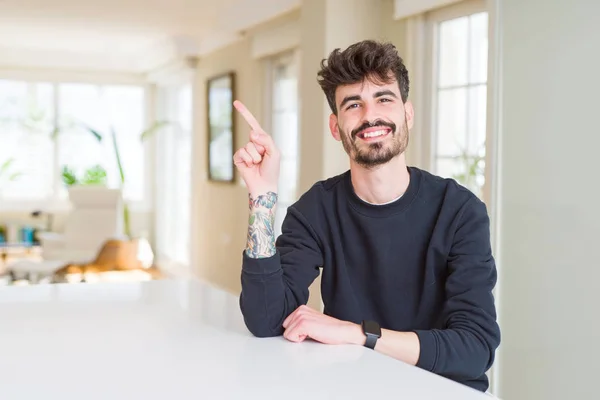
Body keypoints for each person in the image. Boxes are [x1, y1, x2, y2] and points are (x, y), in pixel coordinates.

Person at [232, 39, 500, 392]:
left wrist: (358, 334)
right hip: (353, 387)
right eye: (353, 104)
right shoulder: (316, 209)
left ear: (407, 113)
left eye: (384, 98)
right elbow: (265, 319)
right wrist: (262, 197)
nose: (370, 115)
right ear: (335, 126)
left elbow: (474, 349)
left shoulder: (460, 211)